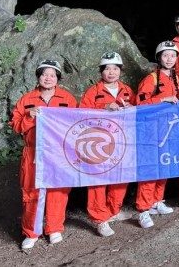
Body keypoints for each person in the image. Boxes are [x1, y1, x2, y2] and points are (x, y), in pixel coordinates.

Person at [10, 60, 78, 250]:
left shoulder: (67, 98)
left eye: (52, 75)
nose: (48, 78)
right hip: (34, 153)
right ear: (38, 76)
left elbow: (76, 124)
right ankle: (31, 231)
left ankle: (54, 228)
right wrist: (28, 117)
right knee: (32, 191)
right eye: (44, 74)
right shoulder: (27, 99)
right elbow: (15, 126)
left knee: (58, 190)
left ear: (57, 78)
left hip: (59, 153)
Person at [79, 52, 136, 237]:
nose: (111, 72)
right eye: (107, 69)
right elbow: (80, 115)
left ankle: (113, 210)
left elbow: (138, 113)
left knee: (121, 176)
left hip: (122, 140)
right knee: (98, 179)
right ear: (101, 71)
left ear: (120, 70)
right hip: (99, 142)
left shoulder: (127, 90)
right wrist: (104, 108)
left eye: (115, 68)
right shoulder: (93, 92)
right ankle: (99, 218)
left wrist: (131, 108)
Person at [134, 41, 179, 229]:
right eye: (165, 55)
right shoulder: (151, 79)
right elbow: (140, 104)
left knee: (164, 166)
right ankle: (142, 209)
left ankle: (156, 200)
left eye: (172, 55)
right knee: (151, 168)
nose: (169, 59)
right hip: (152, 130)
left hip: (168, 129)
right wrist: (162, 99)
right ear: (159, 58)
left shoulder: (175, 78)